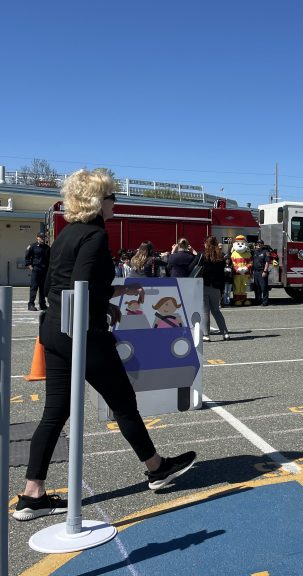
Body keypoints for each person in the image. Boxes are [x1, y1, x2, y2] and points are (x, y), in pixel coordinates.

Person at [13, 169, 196, 522]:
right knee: (124, 404)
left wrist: (113, 295)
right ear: (98, 202)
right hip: (82, 332)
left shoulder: (66, 235)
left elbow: (60, 284)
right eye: (112, 196)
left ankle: (31, 494)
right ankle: (157, 469)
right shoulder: (96, 235)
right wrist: (106, 300)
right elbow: (83, 287)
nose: (116, 202)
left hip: (53, 327)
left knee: (55, 412)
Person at [198, 235, 230, 341]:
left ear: (207, 244)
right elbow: (222, 275)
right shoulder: (221, 257)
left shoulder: (203, 256)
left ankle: (206, 335)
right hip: (216, 287)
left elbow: (192, 267)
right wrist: (221, 290)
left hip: (204, 285)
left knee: (205, 311)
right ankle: (225, 333)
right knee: (216, 311)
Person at [25, 232, 50, 311]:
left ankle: (42, 304)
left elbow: (49, 260)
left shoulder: (47, 248)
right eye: (41, 237)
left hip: (44, 270)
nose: (43, 238)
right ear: (37, 237)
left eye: (44, 237)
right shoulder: (32, 246)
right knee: (34, 287)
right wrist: (30, 267)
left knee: (42, 288)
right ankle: (31, 304)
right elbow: (27, 257)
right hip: (36, 269)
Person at [252, 239, 271, 306]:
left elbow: (267, 262)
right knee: (256, 288)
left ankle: (265, 302)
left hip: (262, 271)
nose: (259, 244)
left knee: (264, 287)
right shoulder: (255, 252)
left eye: (260, 243)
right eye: (257, 243)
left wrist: (265, 271)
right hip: (256, 272)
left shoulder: (265, 252)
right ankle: (257, 300)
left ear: (263, 244)